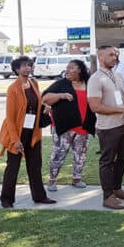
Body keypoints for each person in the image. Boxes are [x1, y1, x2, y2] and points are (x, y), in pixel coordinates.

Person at [0, 56, 53, 207]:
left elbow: (37, 103)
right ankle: (6, 199)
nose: (27, 68)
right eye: (23, 66)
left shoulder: (34, 83)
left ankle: (40, 196)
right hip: (16, 133)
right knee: (12, 168)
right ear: (16, 70)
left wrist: (45, 109)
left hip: (33, 132)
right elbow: (10, 118)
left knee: (35, 166)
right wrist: (16, 140)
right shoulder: (13, 89)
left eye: (29, 65)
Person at [88, 45, 124, 210]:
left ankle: (116, 188)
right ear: (101, 57)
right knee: (107, 161)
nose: (115, 57)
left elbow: (121, 96)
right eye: (111, 55)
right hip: (108, 128)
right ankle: (107, 196)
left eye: (115, 55)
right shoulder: (95, 79)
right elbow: (95, 106)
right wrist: (121, 110)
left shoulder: (117, 75)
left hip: (123, 124)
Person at [43, 59, 95, 192]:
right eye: (67, 68)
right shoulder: (61, 84)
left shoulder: (89, 84)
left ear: (80, 70)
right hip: (64, 126)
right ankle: (52, 181)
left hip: (83, 126)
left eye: (71, 68)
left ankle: (76, 179)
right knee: (58, 153)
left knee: (80, 154)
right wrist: (60, 96)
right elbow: (45, 98)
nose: (68, 70)